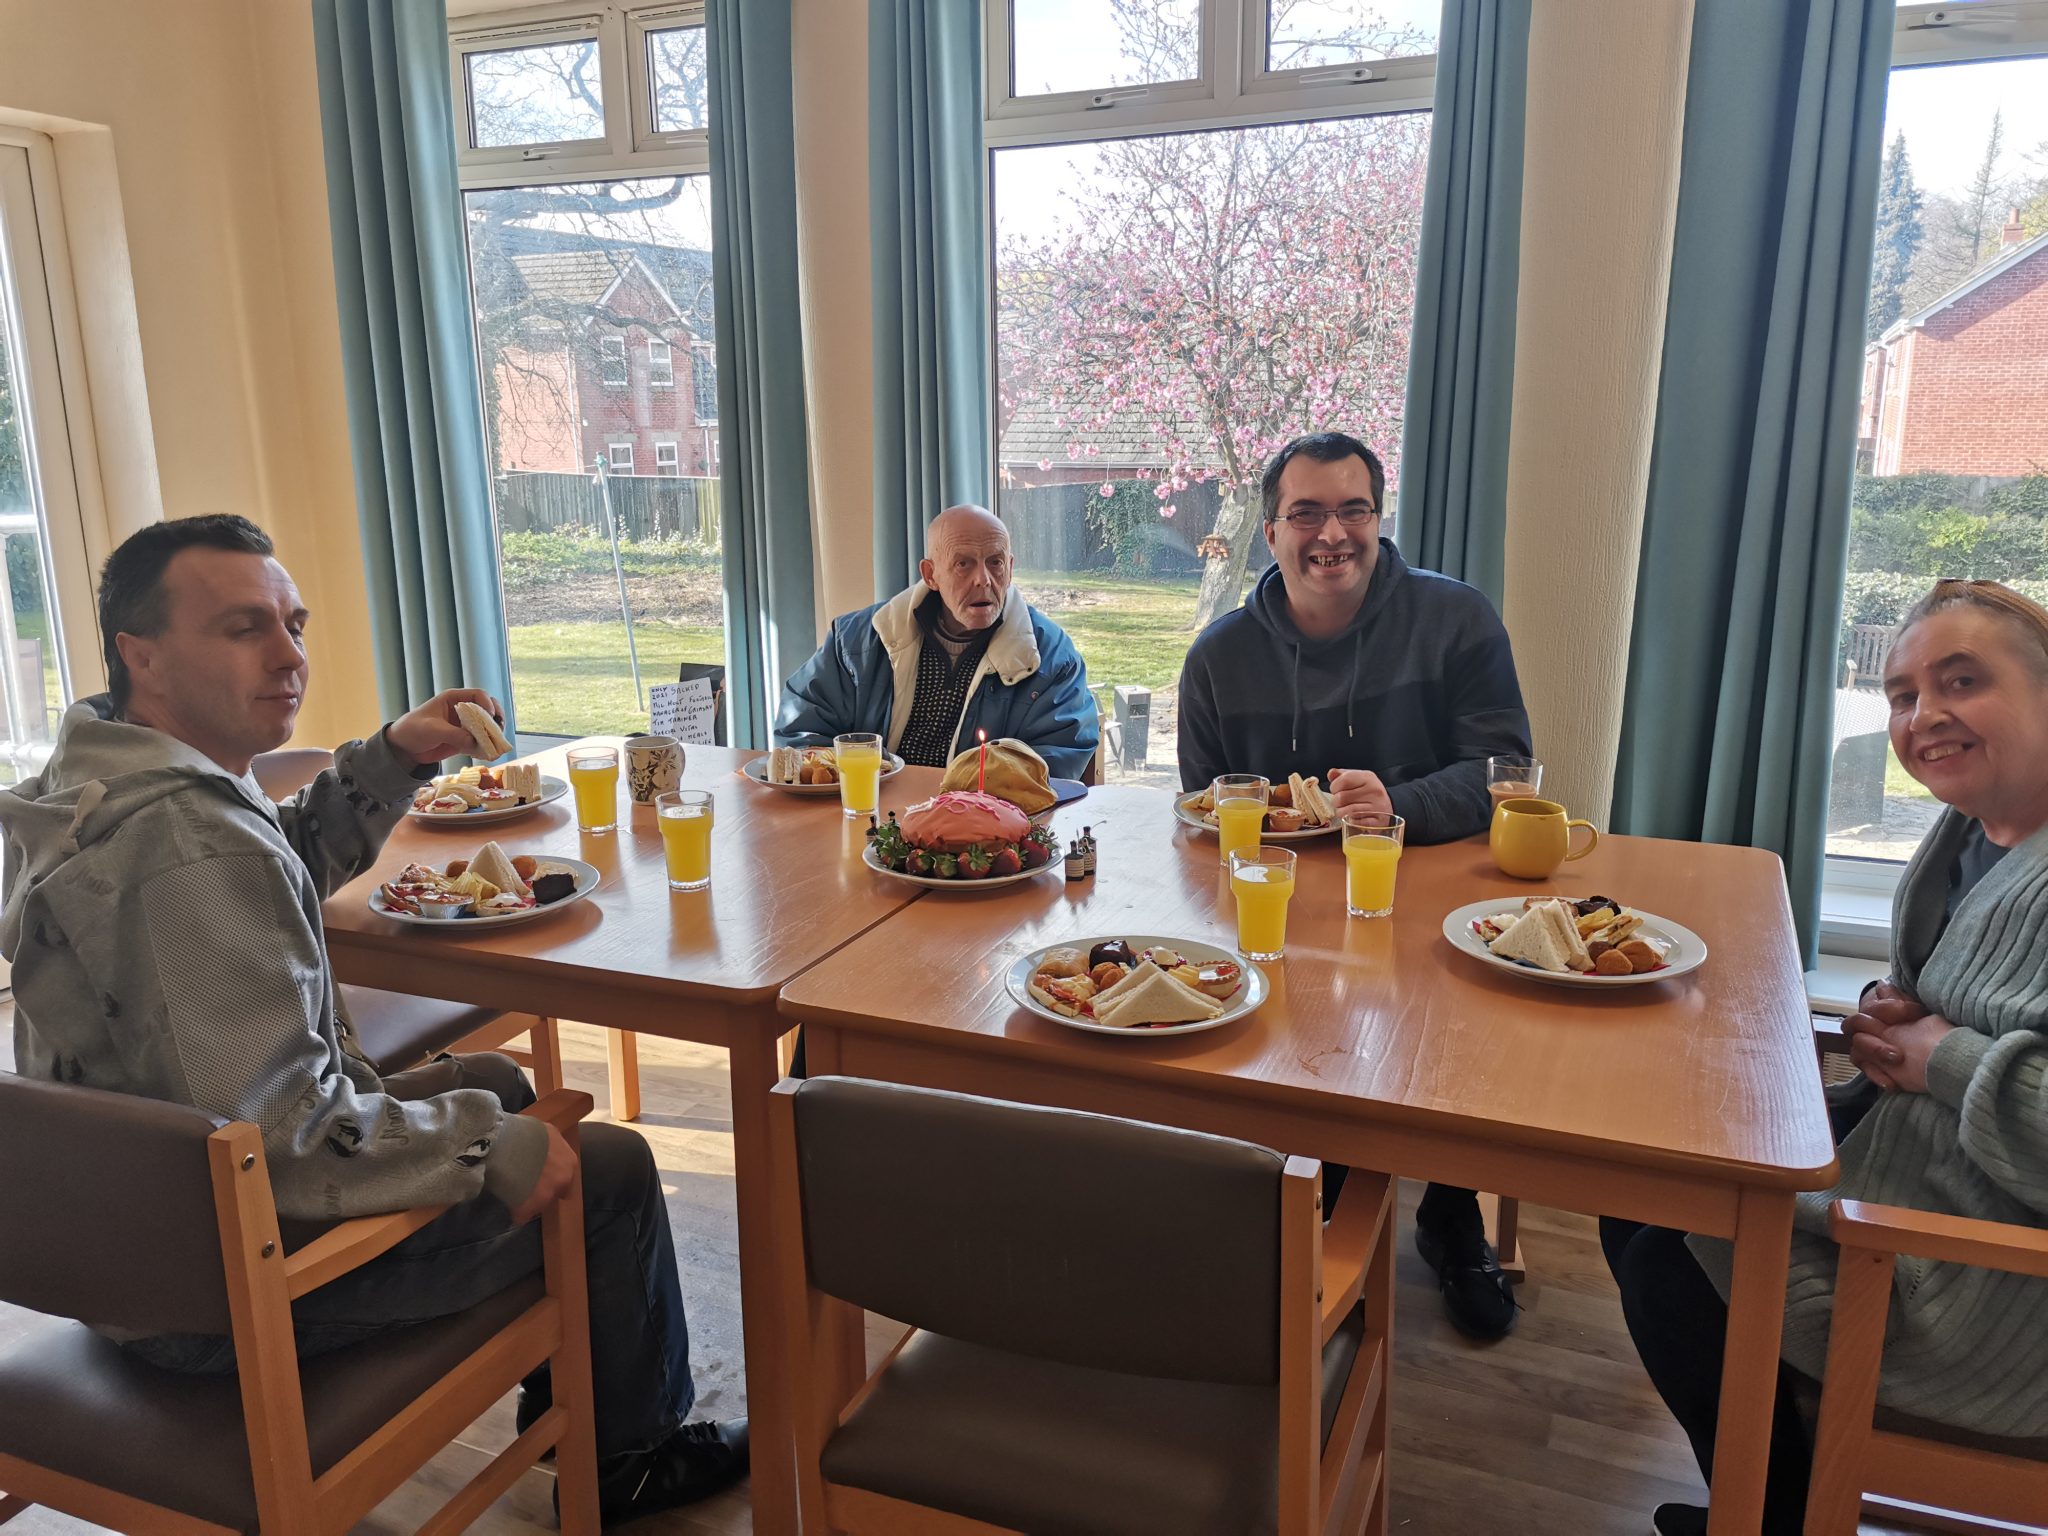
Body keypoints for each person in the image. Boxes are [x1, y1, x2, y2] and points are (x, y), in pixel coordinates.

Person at [0, 516, 746, 1526]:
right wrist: (484, 1147)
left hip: (122, 1234)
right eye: (243, 628)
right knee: (603, 1169)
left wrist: (391, 757)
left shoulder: (102, 782)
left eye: (293, 624)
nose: (289, 655)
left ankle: (583, 1390)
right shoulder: (189, 851)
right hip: (210, 1295)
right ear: (144, 654)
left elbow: (267, 874)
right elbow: (284, 1135)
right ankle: (634, 1459)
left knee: (500, 1082)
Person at [1604, 579, 2048, 1536]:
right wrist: (1903, 1016)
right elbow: (1975, 997)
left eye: (1962, 682)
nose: (1924, 716)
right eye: (1903, 695)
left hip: (1987, 1285)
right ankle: (1765, 1496)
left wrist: (1941, 1058)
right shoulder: (1971, 832)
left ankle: (1772, 1516)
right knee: (1639, 1185)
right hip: (1906, 1174)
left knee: (1667, 1270)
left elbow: (1970, 1048)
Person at [1177, 431, 1536, 1341]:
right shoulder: (1218, 658)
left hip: (1428, 888)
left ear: (1379, 519)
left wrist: (1397, 805)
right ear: (1270, 533)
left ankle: (1449, 1213)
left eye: (1353, 510)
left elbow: (1505, 769)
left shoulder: (1456, 620)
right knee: (1288, 1027)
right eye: (1306, 514)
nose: (1331, 534)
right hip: (1286, 906)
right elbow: (1203, 810)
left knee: (1456, 1023)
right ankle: (1320, 1206)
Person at [775, 503, 1099, 779]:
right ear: (931, 574)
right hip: (871, 812)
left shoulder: (1051, 657)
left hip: (986, 824)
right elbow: (802, 732)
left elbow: (1056, 761)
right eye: (963, 564)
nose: (983, 580)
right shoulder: (856, 641)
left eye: (995, 562)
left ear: (1010, 569)